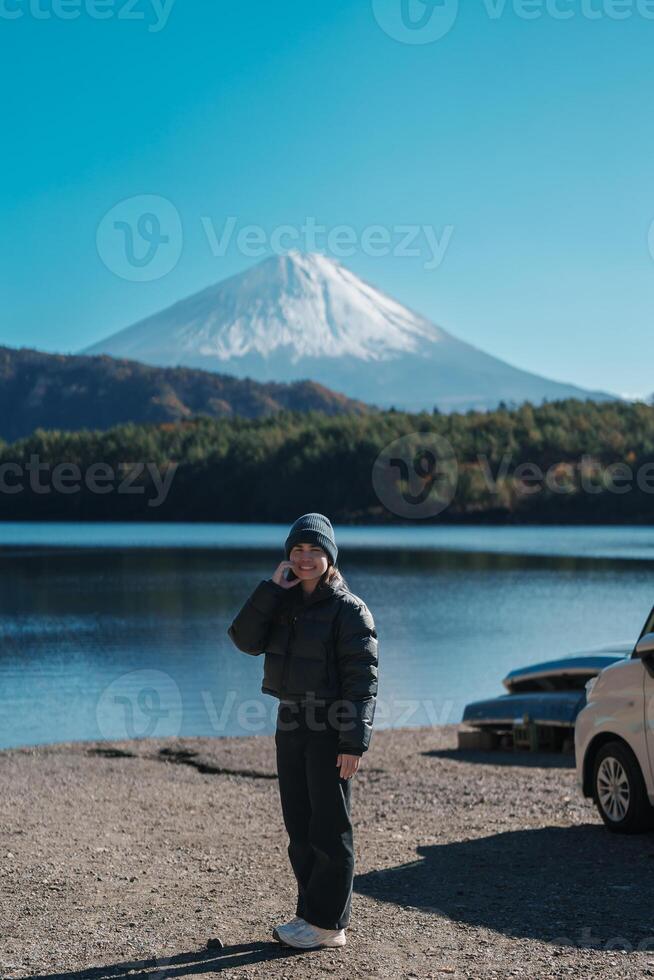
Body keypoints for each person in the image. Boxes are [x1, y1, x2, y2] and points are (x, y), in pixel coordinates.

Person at [227, 512, 378, 951]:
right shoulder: (284, 602)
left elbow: (362, 681)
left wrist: (353, 743)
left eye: (315, 551)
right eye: (298, 550)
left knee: (330, 827)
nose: (305, 558)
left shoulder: (350, 611)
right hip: (290, 722)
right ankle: (314, 915)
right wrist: (271, 590)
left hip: (330, 726)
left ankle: (327, 923)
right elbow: (243, 639)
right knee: (300, 826)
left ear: (330, 557)